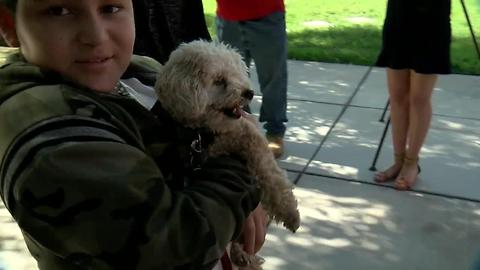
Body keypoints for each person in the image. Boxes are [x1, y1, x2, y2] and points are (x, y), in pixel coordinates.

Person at [0, 0, 267, 269]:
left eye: (110, 8)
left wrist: (235, 190)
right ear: (9, 24)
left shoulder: (139, 71)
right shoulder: (49, 134)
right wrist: (241, 171)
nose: (96, 36)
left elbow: (216, 124)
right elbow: (179, 246)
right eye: (59, 11)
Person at [374, 0, 451, 190]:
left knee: (419, 98)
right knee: (397, 96)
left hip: (432, 19)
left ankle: (411, 163)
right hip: (399, 16)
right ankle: (398, 160)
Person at [215, 0, 288, 159]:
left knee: (273, 79)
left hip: (266, 15)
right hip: (228, 17)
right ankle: (241, 131)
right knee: (232, 81)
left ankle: (274, 132)